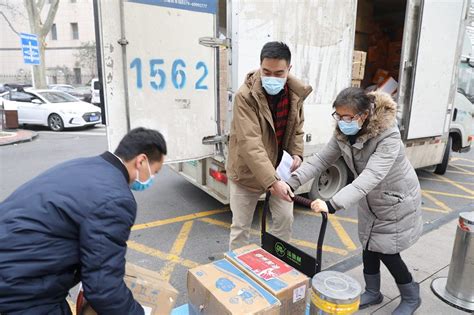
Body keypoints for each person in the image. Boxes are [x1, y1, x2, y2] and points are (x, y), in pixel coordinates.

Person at [0, 127, 167, 315]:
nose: (151, 178)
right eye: (155, 172)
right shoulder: (116, 198)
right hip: (20, 290)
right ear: (141, 161)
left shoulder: (86, 166)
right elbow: (103, 288)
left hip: (14, 267)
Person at [286, 87, 423, 315]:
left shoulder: (388, 135)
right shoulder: (342, 133)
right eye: (338, 116)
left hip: (395, 199)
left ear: (364, 115)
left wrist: (332, 204)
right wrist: (292, 181)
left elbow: (372, 176)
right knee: (369, 245)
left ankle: (411, 295)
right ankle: (373, 291)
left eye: (347, 117)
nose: (342, 122)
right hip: (370, 200)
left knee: (387, 250)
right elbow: (320, 160)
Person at [226, 41, 312, 250]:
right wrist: (273, 182)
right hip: (246, 173)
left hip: (279, 171)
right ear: (260, 66)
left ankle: (276, 267)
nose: (272, 78)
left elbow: (297, 129)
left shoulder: (294, 94)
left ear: (288, 70)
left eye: (279, 73)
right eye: (267, 72)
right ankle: (238, 272)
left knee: (284, 221)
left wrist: (297, 154)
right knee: (241, 229)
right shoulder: (244, 97)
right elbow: (250, 144)